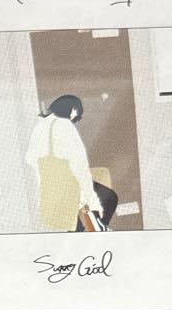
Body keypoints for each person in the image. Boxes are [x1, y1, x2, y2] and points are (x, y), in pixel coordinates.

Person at [24, 95, 118, 232]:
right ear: (73, 109)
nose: (77, 119)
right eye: (78, 114)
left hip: (50, 189)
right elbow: (80, 168)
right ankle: (97, 229)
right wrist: (93, 202)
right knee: (110, 198)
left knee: (75, 226)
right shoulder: (65, 126)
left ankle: (90, 228)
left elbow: (31, 160)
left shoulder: (40, 126)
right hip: (68, 187)